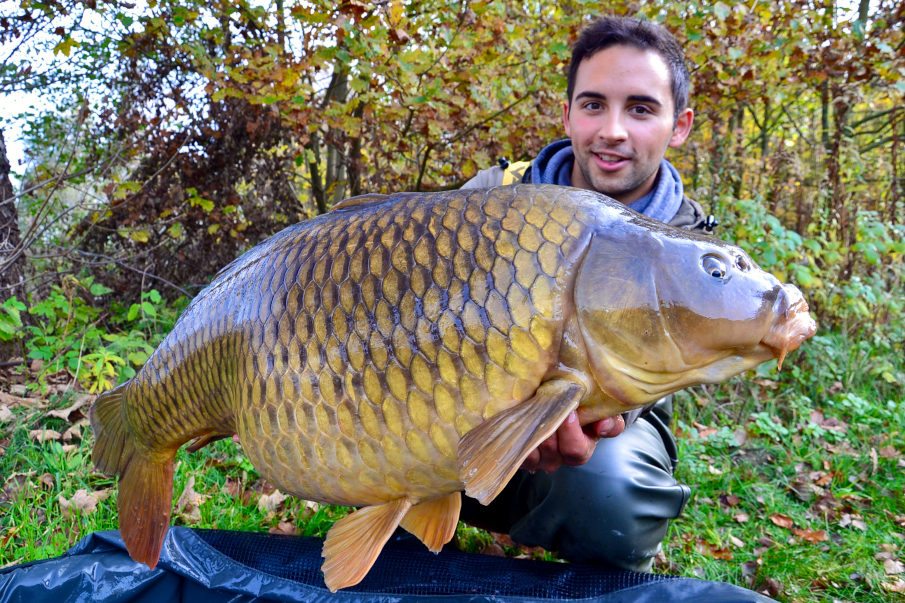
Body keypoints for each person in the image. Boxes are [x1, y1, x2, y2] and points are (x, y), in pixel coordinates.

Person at [458, 15, 716, 572]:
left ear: (680, 126)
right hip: (459, 407)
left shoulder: (687, 244)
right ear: (568, 113)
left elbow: (648, 379)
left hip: (593, 438)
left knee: (609, 487)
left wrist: (578, 413)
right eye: (594, 104)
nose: (613, 130)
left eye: (641, 109)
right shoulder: (492, 198)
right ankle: (405, 539)